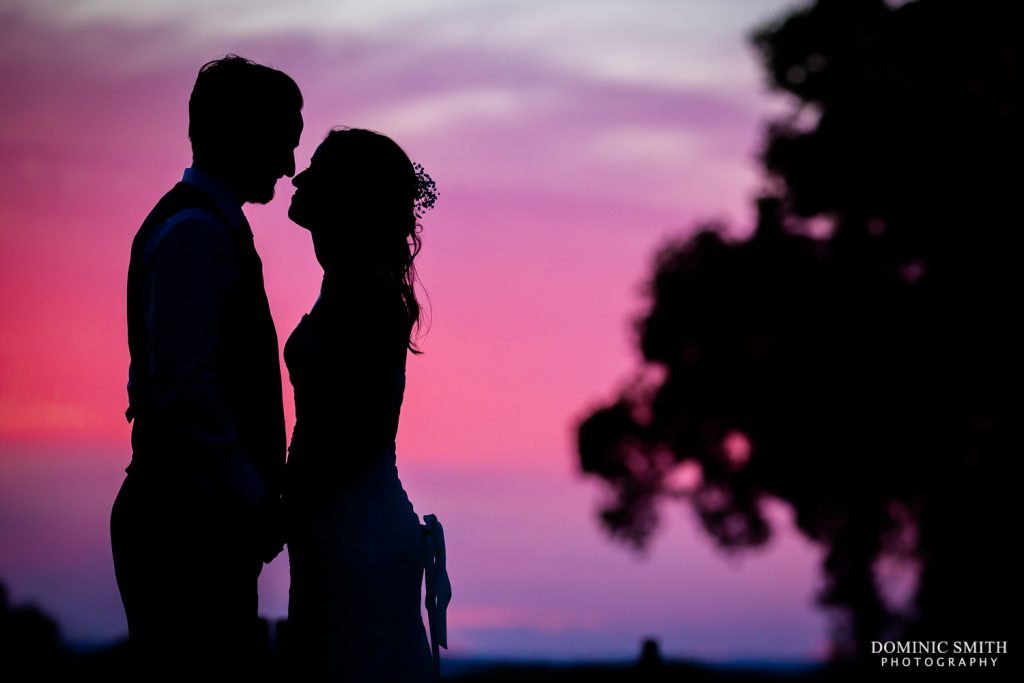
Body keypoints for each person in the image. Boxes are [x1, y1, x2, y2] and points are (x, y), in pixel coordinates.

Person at [111, 55, 302, 678]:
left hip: (196, 522)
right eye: (282, 140)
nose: (288, 164)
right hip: (182, 531)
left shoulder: (210, 227)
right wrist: (251, 503)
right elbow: (186, 388)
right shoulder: (195, 234)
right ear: (241, 132)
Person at [283, 127, 449, 681]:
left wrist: (282, 508)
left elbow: (361, 430)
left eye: (317, 171)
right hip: (337, 526)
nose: (299, 179)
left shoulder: (365, 290)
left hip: (354, 535)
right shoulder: (350, 283)